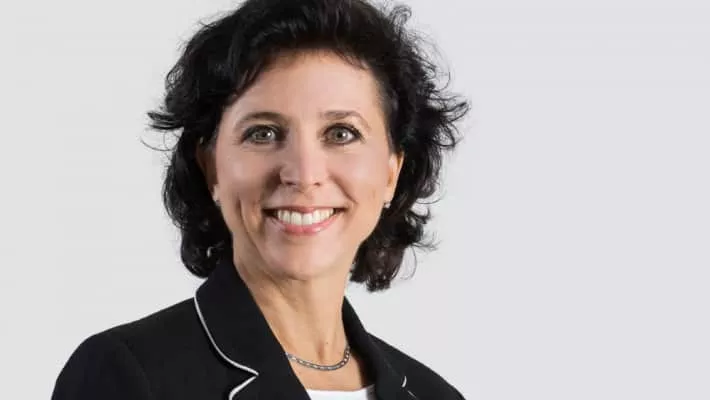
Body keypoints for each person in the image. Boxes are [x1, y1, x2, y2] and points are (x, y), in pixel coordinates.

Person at [51, 0, 469, 398]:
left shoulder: (433, 394)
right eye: (263, 133)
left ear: (392, 172)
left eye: (341, 133)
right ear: (211, 168)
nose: (303, 174)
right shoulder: (129, 374)